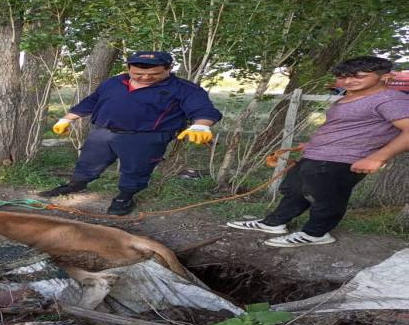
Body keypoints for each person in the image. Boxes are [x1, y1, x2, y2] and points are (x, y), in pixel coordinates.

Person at [227, 56, 409, 247]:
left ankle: (316, 233)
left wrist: (377, 158)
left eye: (359, 76)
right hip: (318, 154)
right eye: (343, 76)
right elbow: (347, 127)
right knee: (295, 190)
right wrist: (313, 144)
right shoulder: (349, 97)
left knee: (326, 196)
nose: (348, 81)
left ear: (384, 76)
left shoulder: (389, 100)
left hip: (343, 159)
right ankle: (274, 223)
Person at [39, 51, 222, 216]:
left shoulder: (184, 88)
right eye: (138, 74)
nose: (145, 77)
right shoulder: (114, 82)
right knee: (87, 162)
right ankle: (75, 185)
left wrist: (201, 125)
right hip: (103, 133)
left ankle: (124, 197)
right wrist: (67, 118)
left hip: (146, 138)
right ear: (128, 68)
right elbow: (92, 101)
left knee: (136, 171)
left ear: (168, 69)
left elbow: (203, 110)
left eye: (153, 74)